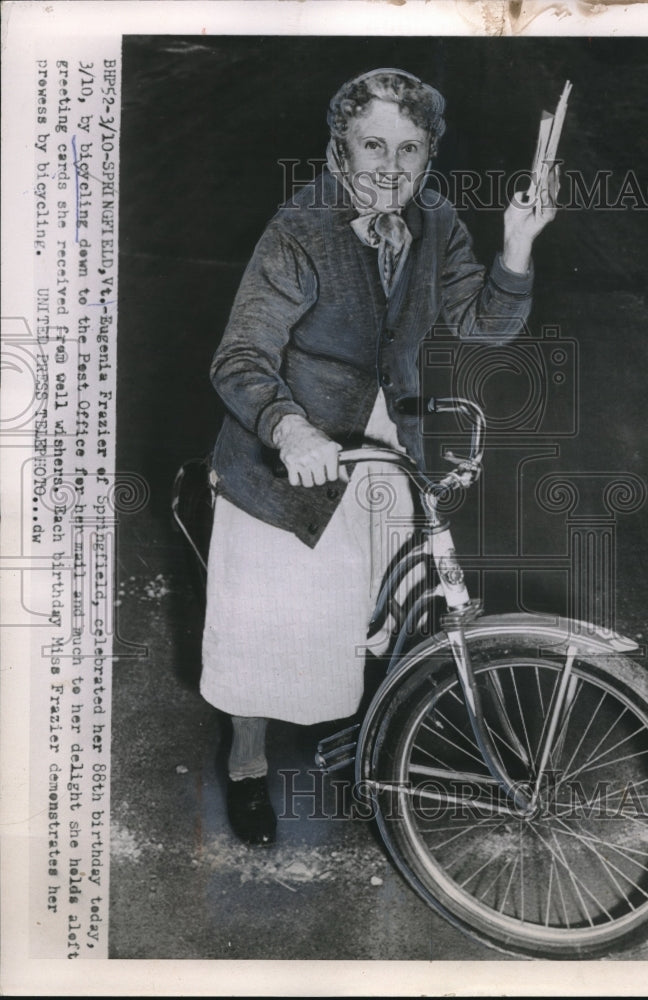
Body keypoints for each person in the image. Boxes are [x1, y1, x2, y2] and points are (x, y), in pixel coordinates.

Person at [201, 68, 559, 846]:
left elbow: (481, 323)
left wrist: (518, 247)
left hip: (383, 442)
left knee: (380, 607)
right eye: (372, 145)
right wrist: (290, 431)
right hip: (287, 453)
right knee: (263, 624)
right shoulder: (300, 229)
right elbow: (239, 357)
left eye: (409, 149)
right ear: (341, 147)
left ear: (430, 158)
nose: (389, 168)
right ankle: (248, 765)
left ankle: (368, 747)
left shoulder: (434, 220)